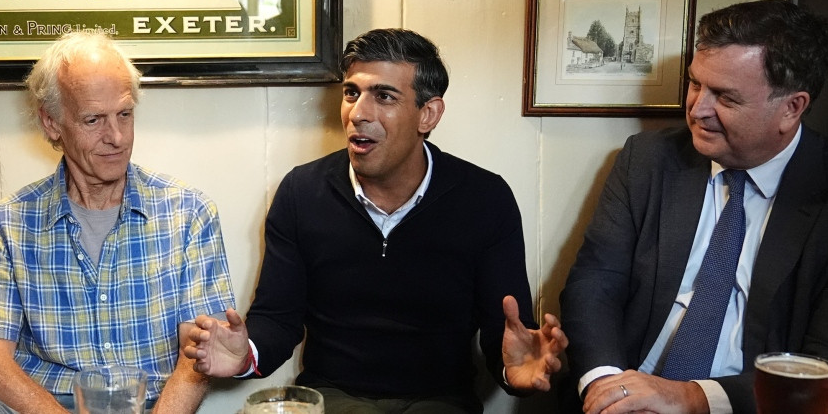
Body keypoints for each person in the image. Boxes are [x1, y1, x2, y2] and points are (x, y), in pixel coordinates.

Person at [185, 28, 567, 413]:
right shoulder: (302, 192)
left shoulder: (485, 198)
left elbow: (508, 337)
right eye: (352, 93)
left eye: (383, 96)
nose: (358, 113)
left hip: (439, 401)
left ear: (428, 114)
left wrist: (513, 373)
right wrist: (245, 355)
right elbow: (277, 319)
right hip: (335, 397)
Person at [560, 0, 828, 414]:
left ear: (791, 107)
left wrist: (690, 398)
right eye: (695, 84)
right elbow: (594, 283)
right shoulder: (648, 161)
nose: (697, 109)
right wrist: (606, 386)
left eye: (725, 97)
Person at [0, 32, 235, 414]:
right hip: (47, 408)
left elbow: (199, 357)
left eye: (125, 115)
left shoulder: (190, 213)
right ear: (52, 123)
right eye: (94, 119)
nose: (116, 137)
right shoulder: (6, 225)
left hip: (153, 408)